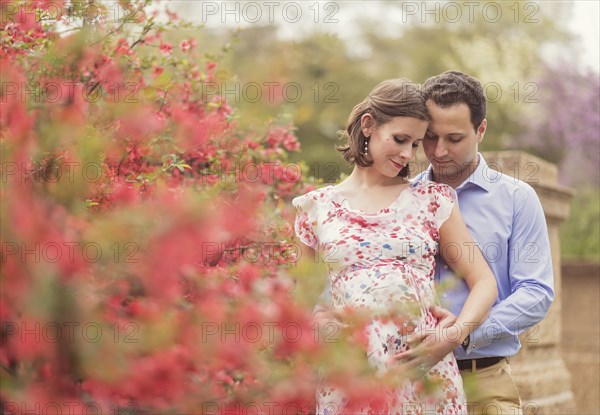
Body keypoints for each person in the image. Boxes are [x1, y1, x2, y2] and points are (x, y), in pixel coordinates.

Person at [292, 79, 498, 415]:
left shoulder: (432, 200)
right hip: (350, 376)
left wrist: (451, 336)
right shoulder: (316, 208)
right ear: (368, 125)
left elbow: (484, 281)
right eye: (400, 139)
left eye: (416, 144)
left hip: (424, 373)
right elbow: (300, 304)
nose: (407, 154)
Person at [401, 71, 555, 415]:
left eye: (454, 138)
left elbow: (535, 293)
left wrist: (462, 333)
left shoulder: (518, 199)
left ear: (481, 130)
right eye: (430, 137)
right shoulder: (401, 197)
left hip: (483, 381)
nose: (438, 151)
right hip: (410, 383)